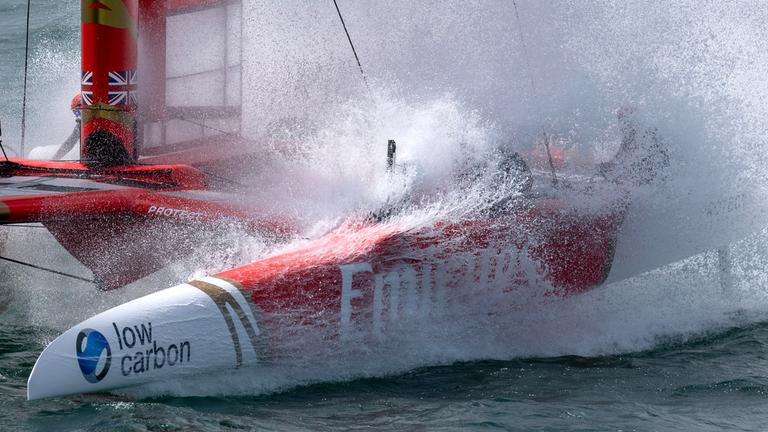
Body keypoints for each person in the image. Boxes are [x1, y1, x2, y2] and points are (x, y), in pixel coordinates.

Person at [53, 94, 82, 160]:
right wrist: (55, 159)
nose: (76, 115)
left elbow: (69, 143)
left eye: (77, 112)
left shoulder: (83, 124)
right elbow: (69, 144)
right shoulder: (80, 126)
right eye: (74, 112)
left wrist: (54, 159)